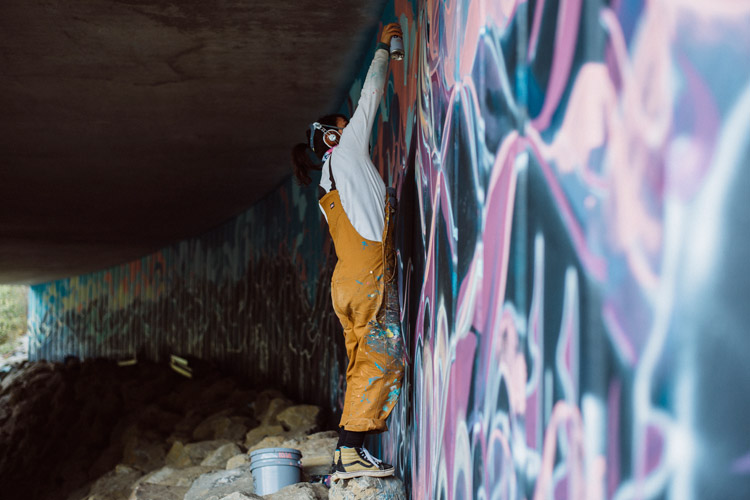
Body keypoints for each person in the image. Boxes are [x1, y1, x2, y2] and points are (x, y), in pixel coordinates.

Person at [291, 22, 405, 480]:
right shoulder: (345, 153)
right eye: (345, 126)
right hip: (365, 276)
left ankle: (348, 451)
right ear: (334, 137)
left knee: (366, 361)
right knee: (382, 358)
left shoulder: (325, 182)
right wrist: (382, 51)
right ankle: (351, 452)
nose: (353, 126)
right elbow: (371, 98)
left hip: (348, 282)